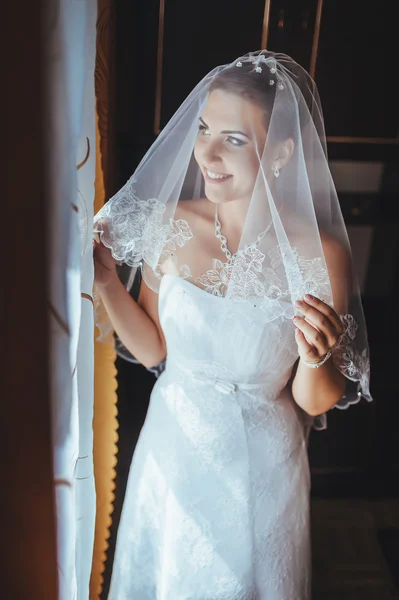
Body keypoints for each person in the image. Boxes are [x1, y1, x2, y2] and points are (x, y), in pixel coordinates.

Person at [93, 50, 372, 599]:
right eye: (203, 130)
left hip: (265, 464)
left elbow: (315, 401)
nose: (208, 154)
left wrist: (317, 357)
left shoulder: (320, 255)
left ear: (280, 153)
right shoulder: (167, 226)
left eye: (235, 139)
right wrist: (105, 283)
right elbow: (153, 350)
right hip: (173, 446)